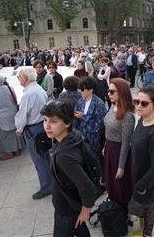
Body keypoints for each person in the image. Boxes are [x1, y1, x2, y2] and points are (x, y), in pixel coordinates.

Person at [42, 100, 97, 237]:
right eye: (45, 120)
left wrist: (85, 211)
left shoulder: (63, 156)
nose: (47, 126)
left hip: (67, 209)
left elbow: (87, 187)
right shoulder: (74, 135)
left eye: (53, 121)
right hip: (73, 204)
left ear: (67, 123)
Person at [129, 85, 154, 237]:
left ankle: (137, 235)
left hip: (150, 184)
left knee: (134, 210)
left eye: (144, 103)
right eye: (137, 101)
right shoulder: (143, 119)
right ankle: (147, 233)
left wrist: (140, 186)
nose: (139, 105)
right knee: (147, 206)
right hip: (142, 179)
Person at [14, 67, 52, 199]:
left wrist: (19, 129)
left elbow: (23, 115)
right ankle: (51, 183)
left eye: (19, 76)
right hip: (41, 126)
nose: (18, 78)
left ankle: (47, 187)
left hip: (33, 129)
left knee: (39, 160)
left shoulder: (28, 94)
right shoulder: (38, 89)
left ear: (25, 78)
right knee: (45, 157)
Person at [103, 78, 135, 209]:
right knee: (110, 181)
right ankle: (114, 204)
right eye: (108, 91)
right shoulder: (112, 105)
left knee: (120, 183)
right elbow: (107, 127)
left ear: (121, 93)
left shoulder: (128, 116)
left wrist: (121, 167)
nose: (109, 94)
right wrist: (105, 145)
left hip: (119, 151)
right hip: (109, 148)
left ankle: (123, 209)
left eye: (112, 92)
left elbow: (126, 143)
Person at [74, 76, 107, 154]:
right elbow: (76, 122)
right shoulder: (80, 101)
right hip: (80, 140)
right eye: (79, 88)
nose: (80, 91)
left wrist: (83, 116)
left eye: (82, 89)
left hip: (93, 142)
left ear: (91, 90)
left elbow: (100, 126)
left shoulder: (99, 104)